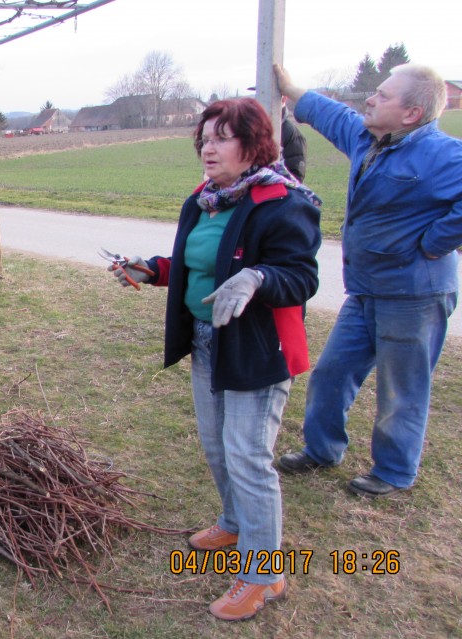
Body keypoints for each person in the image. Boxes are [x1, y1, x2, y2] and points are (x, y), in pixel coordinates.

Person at [109, 98, 321, 621]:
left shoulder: (282, 202)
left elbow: (302, 276)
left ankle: (263, 575)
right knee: (216, 447)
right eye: (204, 137)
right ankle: (233, 521)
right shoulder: (206, 199)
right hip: (208, 341)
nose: (208, 146)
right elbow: (195, 261)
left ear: (254, 145)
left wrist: (258, 278)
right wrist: (151, 269)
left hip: (256, 348)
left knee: (249, 458)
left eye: (222, 137)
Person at [274, 63, 462, 498]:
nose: (370, 100)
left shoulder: (441, 154)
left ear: (411, 113)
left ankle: (394, 472)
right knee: (332, 372)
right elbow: (332, 115)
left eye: (382, 95)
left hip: (416, 293)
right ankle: (322, 449)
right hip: (365, 290)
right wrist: (291, 88)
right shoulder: (367, 138)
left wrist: (437, 240)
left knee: (402, 388)